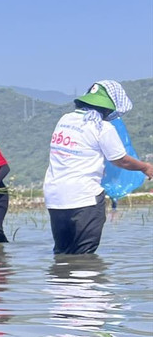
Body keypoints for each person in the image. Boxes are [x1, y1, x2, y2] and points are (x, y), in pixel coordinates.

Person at [43, 81, 153, 254]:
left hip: (55, 197)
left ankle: (61, 280)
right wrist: (145, 167)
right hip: (84, 198)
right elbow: (121, 160)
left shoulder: (65, 120)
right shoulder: (102, 127)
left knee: (62, 252)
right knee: (84, 255)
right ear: (108, 108)